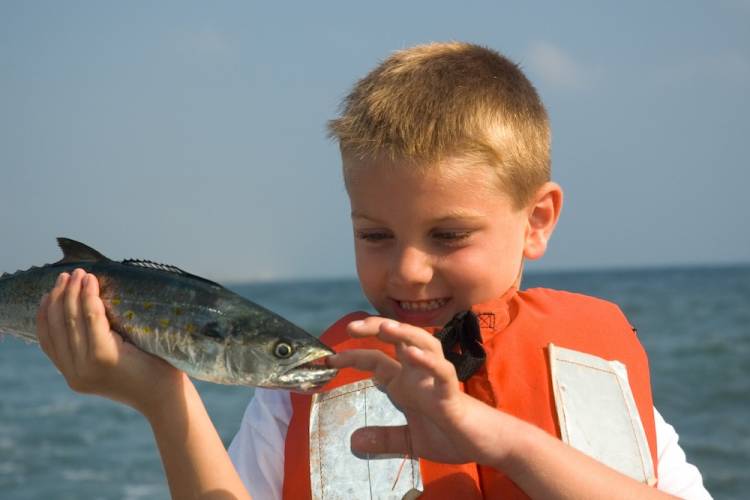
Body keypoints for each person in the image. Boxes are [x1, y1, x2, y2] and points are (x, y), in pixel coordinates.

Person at [37, 42, 711, 499]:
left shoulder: (593, 367)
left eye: (449, 234)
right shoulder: (302, 385)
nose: (410, 272)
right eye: (375, 235)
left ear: (536, 221)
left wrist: (501, 439)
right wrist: (164, 398)